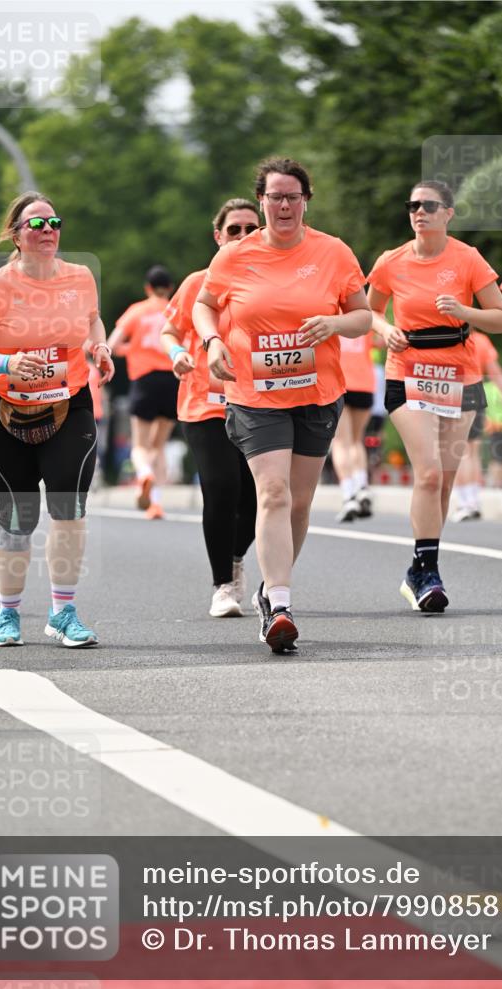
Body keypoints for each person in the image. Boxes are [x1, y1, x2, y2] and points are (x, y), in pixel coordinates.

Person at [192, 157, 371, 652]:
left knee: (298, 501)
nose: (284, 205)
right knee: (271, 493)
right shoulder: (236, 256)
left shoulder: (333, 253)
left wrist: (334, 324)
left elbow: (363, 317)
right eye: (275, 196)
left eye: (293, 196)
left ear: (306, 200)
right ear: (263, 200)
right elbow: (204, 304)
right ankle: (281, 604)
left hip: (317, 393)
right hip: (255, 394)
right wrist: (211, 341)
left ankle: (273, 587)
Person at [0, 191, 114, 647]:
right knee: (19, 517)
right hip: (2, 412)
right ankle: (7, 614)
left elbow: (92, 322)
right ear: (17, 235)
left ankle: (63, 612)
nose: (48, 231)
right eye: (37, 225)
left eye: (54, 223)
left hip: (69, 404)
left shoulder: (81, 277)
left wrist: (99, 347)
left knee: (69, 505)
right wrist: (7, 365)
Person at [367, 180, 502, 612]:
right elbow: (367, 311)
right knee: (428, 473)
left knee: (445, 480)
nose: (419, 212)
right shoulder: (391, 262)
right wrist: (386, 329)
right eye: (413, 205)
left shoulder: (467, 259)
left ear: (448, 213)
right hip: (408, 372)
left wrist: (465, 312)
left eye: (429, 205)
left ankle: (418, 566)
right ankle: (429, 571)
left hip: (460, 376)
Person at [160, 198, 259, 618]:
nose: (242, 236)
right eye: (233, 229)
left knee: (258, 500)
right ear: (218, 236)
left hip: (260, 403)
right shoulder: (197, 282)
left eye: (250, 229)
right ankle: (222, 585)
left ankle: (236, 558)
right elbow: (169, 330)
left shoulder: (272, 283)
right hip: (205, 405)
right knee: (221, 488)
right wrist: (177, 353)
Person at [107, 265, 175, 520]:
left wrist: (133, 349)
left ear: (147, 288)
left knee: (140, 444)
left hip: (145, 380)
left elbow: (113, 345)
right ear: (170, 288)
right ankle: (156, 503)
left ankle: (143, 472)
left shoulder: (138, 311)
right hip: (172, 379)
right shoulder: (175, 310)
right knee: (159, 445)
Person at [451, 331, 502, 521]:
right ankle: (473, 500)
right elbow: (496, 373)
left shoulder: (448, 337)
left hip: (453, 391)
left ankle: (464, 502)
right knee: (472, 451)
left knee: (459, 452)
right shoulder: (480, 340)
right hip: (475, 392)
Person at [332, 330, 379, 522]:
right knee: (356, 440)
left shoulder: (330, 312)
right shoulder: (363, 315)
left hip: (338, 382)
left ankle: (349, 495)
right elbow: (381, 340)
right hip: (364, 383)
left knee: (341, 442)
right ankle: (362, 486)